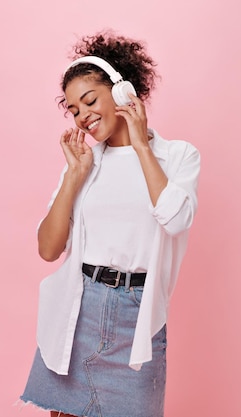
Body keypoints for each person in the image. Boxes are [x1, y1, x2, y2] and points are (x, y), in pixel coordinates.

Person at [19, 30, 200, 417]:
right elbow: (48, 249)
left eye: (89, 100)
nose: (83, 116)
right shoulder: (87, 164)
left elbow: (175, 218)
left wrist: (140, 146)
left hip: (137, 318)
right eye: (73, 109)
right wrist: (73, 177)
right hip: (79, 307)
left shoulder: (176, 156)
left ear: (122, 93)